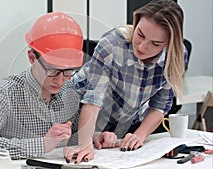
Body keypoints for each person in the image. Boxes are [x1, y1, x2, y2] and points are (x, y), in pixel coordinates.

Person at [0, 11, 118, 160]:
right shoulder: (4, 93)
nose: (60, 80)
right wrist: (42, 144)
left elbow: (71, 134)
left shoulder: (70, 91)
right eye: (52, 70)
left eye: (68, 70)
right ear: (32, 57)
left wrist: (95, 136)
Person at [64, 0, 188, 163]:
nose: (142, 46)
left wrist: (139, 135)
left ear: (170, 44)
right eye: (140, 34)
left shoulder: (175, 57)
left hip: (118, 123)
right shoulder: (112, 43)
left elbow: (160, 105)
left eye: (155, 43)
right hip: (75, 114)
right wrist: (85, 143)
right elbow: (92, 99)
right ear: (136, 23)